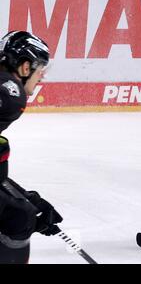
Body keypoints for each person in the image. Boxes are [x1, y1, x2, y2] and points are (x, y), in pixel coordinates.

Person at [0, 31, 63, 264]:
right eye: (40, 70)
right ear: (25, 67)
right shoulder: (10, 92)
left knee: (20, 211)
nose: (41, 77)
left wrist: (26, 197)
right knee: (19, 217)